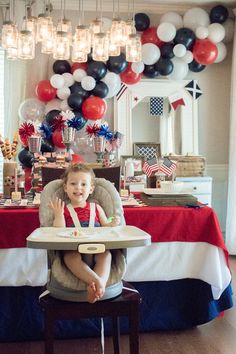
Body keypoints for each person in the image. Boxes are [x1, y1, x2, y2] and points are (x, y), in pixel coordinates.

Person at [49, 163, 120, 303]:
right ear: (65, 187)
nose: (78, 187)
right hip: (74, 248)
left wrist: (113, 222)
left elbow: (106, 224)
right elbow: (58, 232)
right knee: (70, 258)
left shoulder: (97, 208)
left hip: (97, 246)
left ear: (91, 189)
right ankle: (97, 282)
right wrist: (58, 214)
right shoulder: (64, 210)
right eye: (73, 183)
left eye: (83, 184)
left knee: (106, 255)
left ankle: (97, 287)